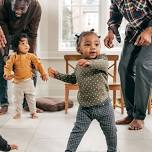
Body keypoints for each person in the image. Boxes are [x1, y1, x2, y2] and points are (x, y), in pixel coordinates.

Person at [48, 29, 117, 152]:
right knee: (77, 132)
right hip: (85, 108)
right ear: (79, 49)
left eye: (96, 44)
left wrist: (89, 63)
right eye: (87, 44)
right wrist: (57, 75)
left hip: (104, 106)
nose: (92, 47)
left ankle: (112, 150)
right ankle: (69, 150)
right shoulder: (79, 65)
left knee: (111, 131)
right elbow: (72, 79)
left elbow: (104, 65)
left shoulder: (102, 59)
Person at [104, 0, 152, 130]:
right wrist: (111, 31)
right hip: (133, 32)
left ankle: (139, 117)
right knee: (124, 68)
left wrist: (149, 30)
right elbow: (115, 11)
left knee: (143, 65)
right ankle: (131, 114)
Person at [0, 0, 42, 115]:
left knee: (32, 65)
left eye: (21, 9)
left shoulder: (36, 7)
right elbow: (2, 24)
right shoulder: (5, 3)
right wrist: (6, 54)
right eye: (16, 9)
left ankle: (28, 104)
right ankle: (3, 103)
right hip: (4, 32)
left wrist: (31, 56)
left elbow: (32, 34)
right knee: (2, 66)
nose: (18, 12)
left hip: (24, 34)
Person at [3, 33, 48, 119]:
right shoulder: (13, 57)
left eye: (27, 43)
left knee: (31, 98)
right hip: (17, 83)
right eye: (23, 43)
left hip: (28, 81)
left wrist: (43, 73)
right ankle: (18, 113)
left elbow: (38, 64)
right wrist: (7, 74)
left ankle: (33, 112)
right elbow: (7, 67)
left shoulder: (31, 56)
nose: (26, 45)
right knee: (17, 100)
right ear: (17, 46)